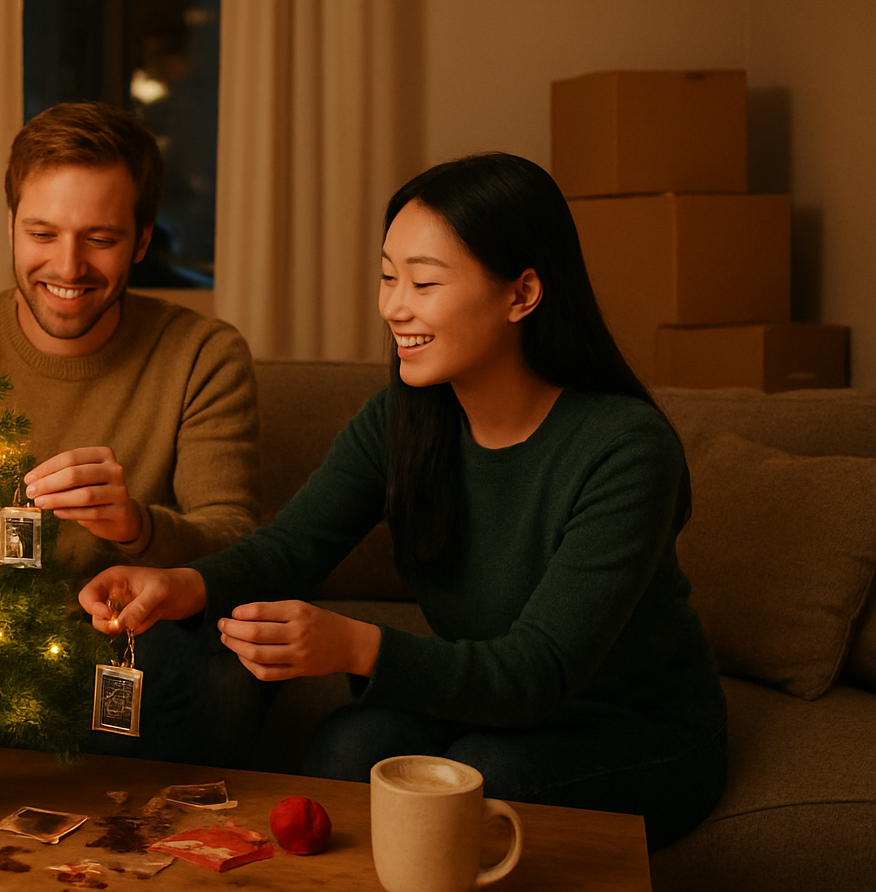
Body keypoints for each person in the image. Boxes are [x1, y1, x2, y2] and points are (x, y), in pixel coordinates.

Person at [80, 152, 729, 849]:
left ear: (522, 293)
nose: (393, 306)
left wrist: (354, 645)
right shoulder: (405, 416)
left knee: (485, 775)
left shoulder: (625, 448)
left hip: (631, 728)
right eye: (389, 277)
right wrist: (181, 584)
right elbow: (292, 548)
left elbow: (537, 673)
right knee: (350, 746)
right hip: (483, 706)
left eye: (424, 281)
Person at [0, 101, 266, 765]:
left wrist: (135, 528)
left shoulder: (203, 354)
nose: (68, 267)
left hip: (127, 644)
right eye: (42, 233)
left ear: (142, 241)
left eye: (100, 238)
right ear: (10, 228)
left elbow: (237, 541)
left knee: (217, 669)